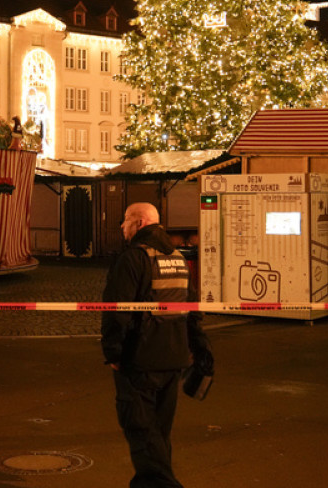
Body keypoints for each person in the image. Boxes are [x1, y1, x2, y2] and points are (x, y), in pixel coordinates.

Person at [101, 202, 213, 488]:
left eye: (125, 220)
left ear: (139, 224)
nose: (121, 227)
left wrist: (113, 353)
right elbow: (192, 308)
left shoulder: (133, 258)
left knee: (140, 430)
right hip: (173, 358)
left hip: (140, 359)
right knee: (158, 434)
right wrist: (199, 350)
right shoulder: (176, 258)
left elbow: (117, 310)